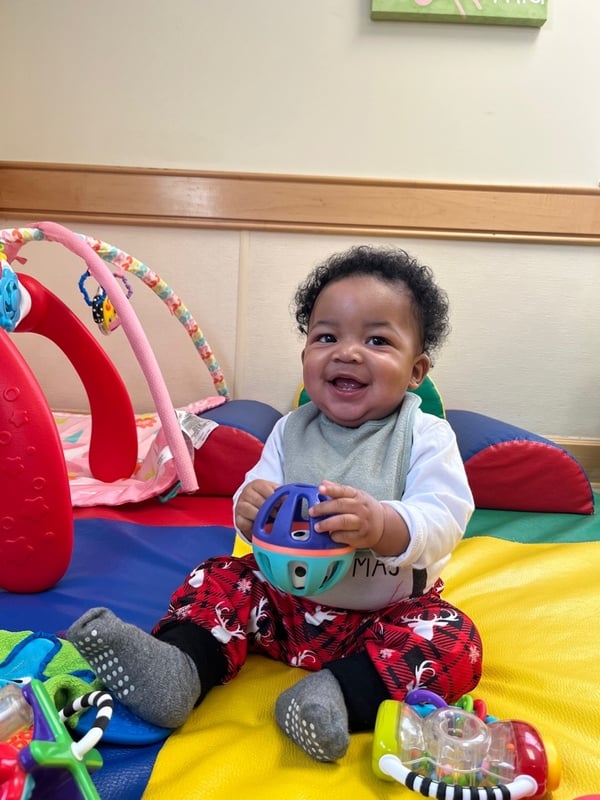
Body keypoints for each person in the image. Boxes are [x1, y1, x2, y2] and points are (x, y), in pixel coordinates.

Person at [67, 244, 482, 763]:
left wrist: (382, 523)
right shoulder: (291, 430)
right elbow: (255, 491)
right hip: (282, 607)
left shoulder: (424, 435)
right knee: (217, 577)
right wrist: (248, 502)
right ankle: (180, 670)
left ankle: (334, 695)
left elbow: (445, 516)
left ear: (416, 369)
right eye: (326, 336)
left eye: (377, 340)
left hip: (381, 616)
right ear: (306, 354)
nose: (347, 352)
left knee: (454, 641)